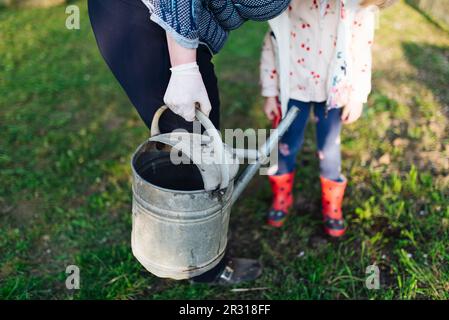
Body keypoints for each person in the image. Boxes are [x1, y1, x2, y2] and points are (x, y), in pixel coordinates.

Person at [88, 0, 290, 284]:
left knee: (198, 136)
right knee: (190, 143)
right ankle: (199, 265)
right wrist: (183, 69)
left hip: (179, 25)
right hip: (144, 13)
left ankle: (193, 253)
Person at [260, 0, 396, 236]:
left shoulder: (356, 7)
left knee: (329, 148)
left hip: (333, 91)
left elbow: (361, 50)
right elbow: (273, 43)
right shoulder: (289, 4)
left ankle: (332, 204)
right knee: (285, 145)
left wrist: (357, 96)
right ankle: (282, 195)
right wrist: (270, 92)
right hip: (293, 88)